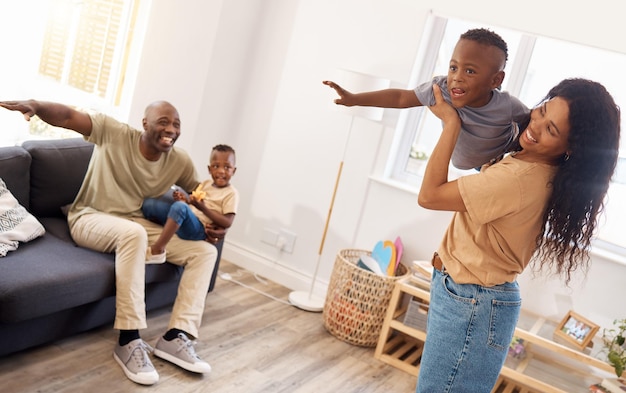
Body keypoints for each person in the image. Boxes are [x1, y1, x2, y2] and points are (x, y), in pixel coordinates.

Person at [414, 79, 620, 392]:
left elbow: (429, 195)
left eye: (551, 129)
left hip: (471, 302)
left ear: (571, 147)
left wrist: (451, 123)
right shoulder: (536, 164)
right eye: (542, 111)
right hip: (473, 298)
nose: (535, 125)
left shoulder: (518, 178)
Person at [0, 99, 221, 386]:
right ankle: (129, 340)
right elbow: (68, 116)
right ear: (145, 123)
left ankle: (177, 336)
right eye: (163, 121)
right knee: (134, 234)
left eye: (176, 124)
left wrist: (212, 222)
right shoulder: (114, 133)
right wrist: (36, 106)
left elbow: (201, 194)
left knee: (204, 252)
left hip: (134, 222)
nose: (171, 129)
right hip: (89, 218)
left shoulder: (179, 160)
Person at [323, 28, 529, 170]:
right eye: (453, 67)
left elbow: (532, 121)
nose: (456, 77)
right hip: (469, 163)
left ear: (495, 80)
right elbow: (401, 98)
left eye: (470, 71)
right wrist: (354, 99)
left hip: (498, 158)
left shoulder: (507, 106)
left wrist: (515, 152)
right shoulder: (441, 89)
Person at [142, 144, 239, 263]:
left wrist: (202, 208)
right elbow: (194, 203)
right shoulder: (206, 184)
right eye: (216, 166)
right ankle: (166, 226)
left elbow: (227, 222)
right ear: (209, 169)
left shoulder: (231, 193)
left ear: (234, 170)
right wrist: (185, 201)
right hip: (189, 219)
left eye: (227, 167)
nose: (221, 171)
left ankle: (157, 250)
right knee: (149, 204)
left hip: (199, 229)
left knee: (179, 207)